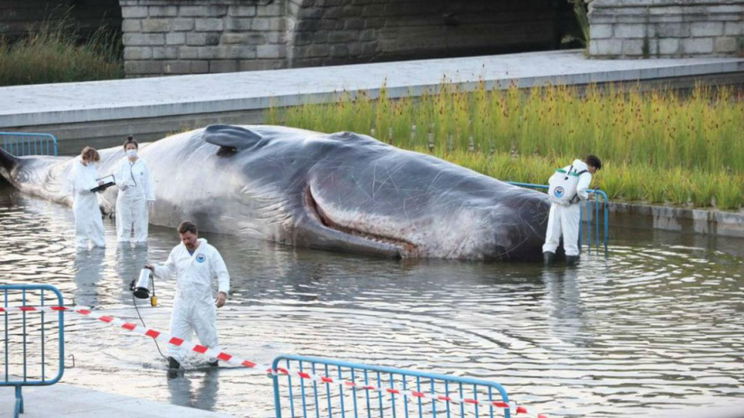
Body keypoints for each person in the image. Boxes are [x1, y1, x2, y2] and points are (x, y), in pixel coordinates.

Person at [145, 221, 230, 372]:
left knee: (208, 340)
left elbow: (222, 273)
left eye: (189, 238)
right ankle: (174, 370)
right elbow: (168, 271)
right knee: (175, 340)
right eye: (183, 239)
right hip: (181, 304)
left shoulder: (210, 251)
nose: (186, 242)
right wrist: (155, 269)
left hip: (202, 304)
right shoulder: (177, 251)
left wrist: (223, 292)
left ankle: (213, 369)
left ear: (196, 234)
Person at [543, 155, 602, 266]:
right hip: (570, 207)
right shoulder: (585, 174)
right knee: (571, 242)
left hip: (555, 204)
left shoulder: (567, 168)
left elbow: (550, 180)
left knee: (551, 239)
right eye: (595, 171)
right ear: (593, 167)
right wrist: (586, 196)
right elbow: (580, 190)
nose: (594, 173)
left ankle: (548, 271)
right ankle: (571, 277)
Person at [114, 136, 155, 244]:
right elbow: (115, 178)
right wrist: (121, 184)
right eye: (128, 148)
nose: (131, 150)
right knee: (124, 222)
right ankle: (123, 245)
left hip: (139, 196)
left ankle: (141, 244)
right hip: (124, 196)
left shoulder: (143, 164)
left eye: (133, 148)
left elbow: (148, 181)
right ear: (125, 150)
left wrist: (150, 197)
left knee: (140, 222)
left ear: (137, 149)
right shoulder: (121, 163)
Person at [67, 146, 106, 249]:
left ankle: (99, 248)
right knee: (82, 229)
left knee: (97, 225)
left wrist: (102, 186)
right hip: (81, 203)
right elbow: (81, 188)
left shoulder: (91, 167)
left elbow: (96, 180)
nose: (92, 163)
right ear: (86, 157)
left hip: (92, 202)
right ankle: (81, 253)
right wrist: (95, 186)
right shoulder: (76, 170)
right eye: (91, 160)